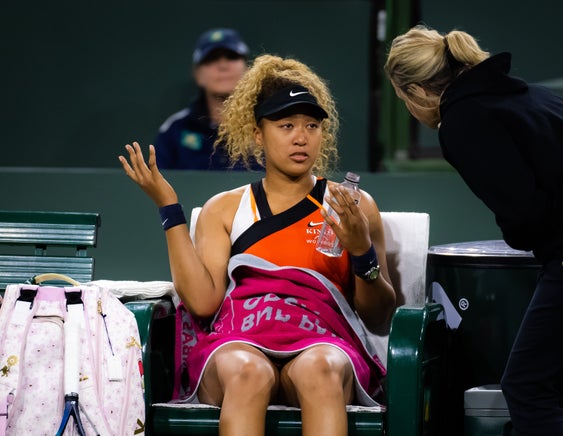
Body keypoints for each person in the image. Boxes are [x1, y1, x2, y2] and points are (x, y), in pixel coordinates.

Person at [385, 25, 563, 435]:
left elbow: (524, 212)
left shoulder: (463, 119)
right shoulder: (517, 94)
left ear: (415, 92)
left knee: (528, 385)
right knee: (552, 384)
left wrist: (526, 238)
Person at [120, 54, 396, 436]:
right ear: (257, 134)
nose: (301, 137)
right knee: (248, 372)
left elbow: (379, 315)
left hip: (323, 340)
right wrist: (169, 208)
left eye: (312, 126)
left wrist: (362, 250)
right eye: (286, 126)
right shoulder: (226, 208)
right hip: (241, 339)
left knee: (320, 369)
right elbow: (202, 302)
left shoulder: (353, 206)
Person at [154, 28, 256, 170]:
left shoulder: (267, 125)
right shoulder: (175, 130)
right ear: (197, 74)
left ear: (247, 68)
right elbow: (155, 185)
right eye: (211, 59)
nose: (223, 66)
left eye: (231, 57)